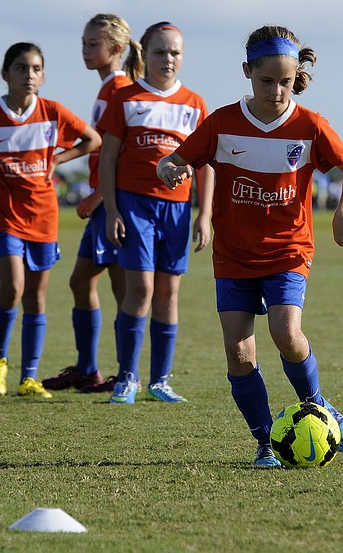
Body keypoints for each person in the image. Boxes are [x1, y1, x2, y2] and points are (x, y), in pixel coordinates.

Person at [156, 24, 343, 468]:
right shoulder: (223, 123)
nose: (276, 91)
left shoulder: (310, 125)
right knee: (238, 352)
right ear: (247, 72)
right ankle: (266, 442)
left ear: (296, 78)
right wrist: (167, 169)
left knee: (287, 335)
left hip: (289, 249)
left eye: (285, 82)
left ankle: (320, 406)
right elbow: (176, 160)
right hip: (232, 254)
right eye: (266, 81)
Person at [0, 42, 102, 398]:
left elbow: (93, 139)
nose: (30, 75)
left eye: (37, 69)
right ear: (5, 74)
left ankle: (29, 377)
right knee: (13, 288)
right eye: (22, 68)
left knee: (36, 300)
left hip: (44, 217)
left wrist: (58, 159)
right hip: (6, 217)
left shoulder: (52, 112)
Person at [97, 21, 214, 404]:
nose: (168, 59)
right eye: (161, 52)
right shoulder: (125, 98)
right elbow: (108, 158)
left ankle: (160, 380)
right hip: (134, 204)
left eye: (176, 53)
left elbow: (206, 164)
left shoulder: (194, 104)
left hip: (177, 209)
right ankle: (126, 377)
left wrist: (204, 213)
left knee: (169, 291)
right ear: (144, 54)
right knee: (141, 288)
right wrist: (111, 209)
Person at [42, 14, 144, 394]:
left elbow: (118, 151)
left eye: (93, 44)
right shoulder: (110, 88)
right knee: (105, 284)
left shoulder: (118, 89)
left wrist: (99, 195)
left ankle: (115, 372)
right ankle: (100, 370)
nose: (85, 51)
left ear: (116, 49)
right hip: (111, 200)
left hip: (112, 202)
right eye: (83, 43)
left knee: (108, 285)